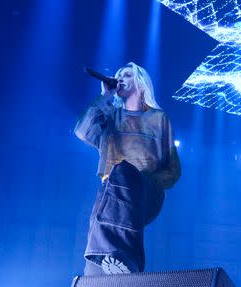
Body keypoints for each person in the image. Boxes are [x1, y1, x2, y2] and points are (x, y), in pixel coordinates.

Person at [75, 62, 181, 275]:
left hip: (145, 192)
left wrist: (149, 180)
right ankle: (98, 270)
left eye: (127, 75)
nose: (120, 78)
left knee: (123, 170)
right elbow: (82, 131)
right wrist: (105, 98)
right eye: (118, 75)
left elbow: (173, 169)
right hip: (111, 192)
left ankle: (130, 260)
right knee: (97, 225)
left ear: (141, 83)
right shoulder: (110, 116)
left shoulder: (158, 118)